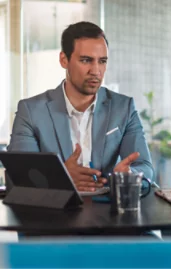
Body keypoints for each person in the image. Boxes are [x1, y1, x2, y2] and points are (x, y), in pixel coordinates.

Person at [7, 21, 154, 192]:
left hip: (108, 214)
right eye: (86, 60)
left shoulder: (123, 108)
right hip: (52, 215)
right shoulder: (31, 111)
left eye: (102, 61)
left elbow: (145, 168)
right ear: (64, 60)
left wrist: (128, 175)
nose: (96, 70)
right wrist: (60, 177)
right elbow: (17, 178)